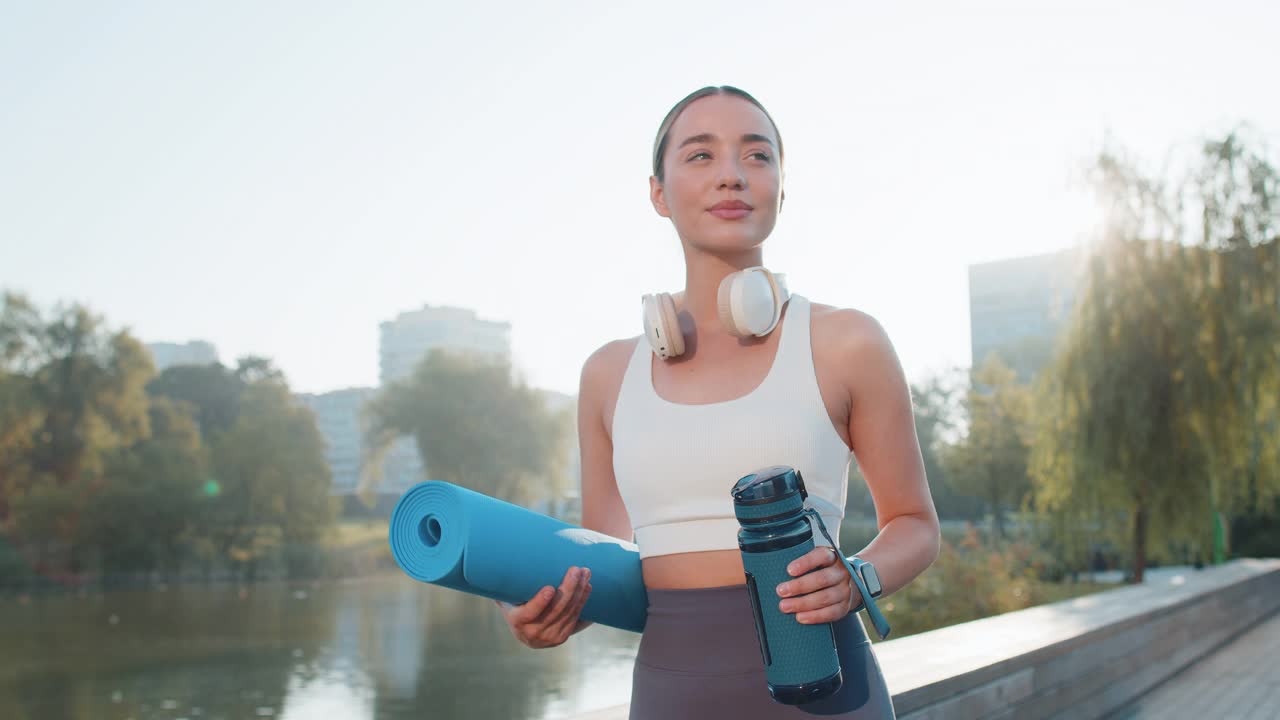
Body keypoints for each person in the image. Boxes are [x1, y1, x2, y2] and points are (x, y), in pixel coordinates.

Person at [496, 86, 940, 718]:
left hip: (829, 695)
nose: (732, 175)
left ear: (781, 189)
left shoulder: (847, 342)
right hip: (670, 699)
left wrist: (857, 576)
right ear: (658, 192)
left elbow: (916, 526)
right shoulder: (607, 374)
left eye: (757, 156)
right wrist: (546, 606)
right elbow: (602, 560)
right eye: (701, 156)